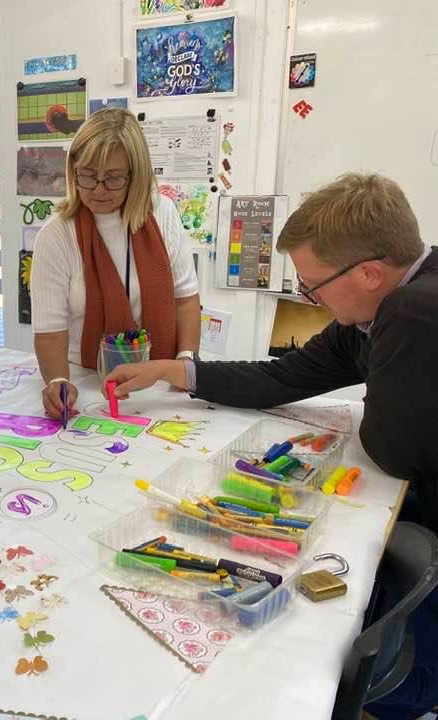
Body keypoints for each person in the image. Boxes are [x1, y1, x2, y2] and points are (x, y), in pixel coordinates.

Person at [101, 172, 438, 718]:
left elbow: (390, 449)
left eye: (313, 285)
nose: (310, 298)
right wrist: (174, 370)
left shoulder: (413, 313)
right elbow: (284, 377)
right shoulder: (377, 310)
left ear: (370, 274)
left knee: (392, 680)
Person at [29, 108, 200, 419]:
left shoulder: (162, 213)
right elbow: (50, 332)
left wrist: (186, 362)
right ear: (73, 170)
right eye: (87, 175)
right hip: (86, 381)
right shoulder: (56, 236)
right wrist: (57, 381)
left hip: (159, 381)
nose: (98, 190)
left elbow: (186, 300)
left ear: (136, 175)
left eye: (113, 178)